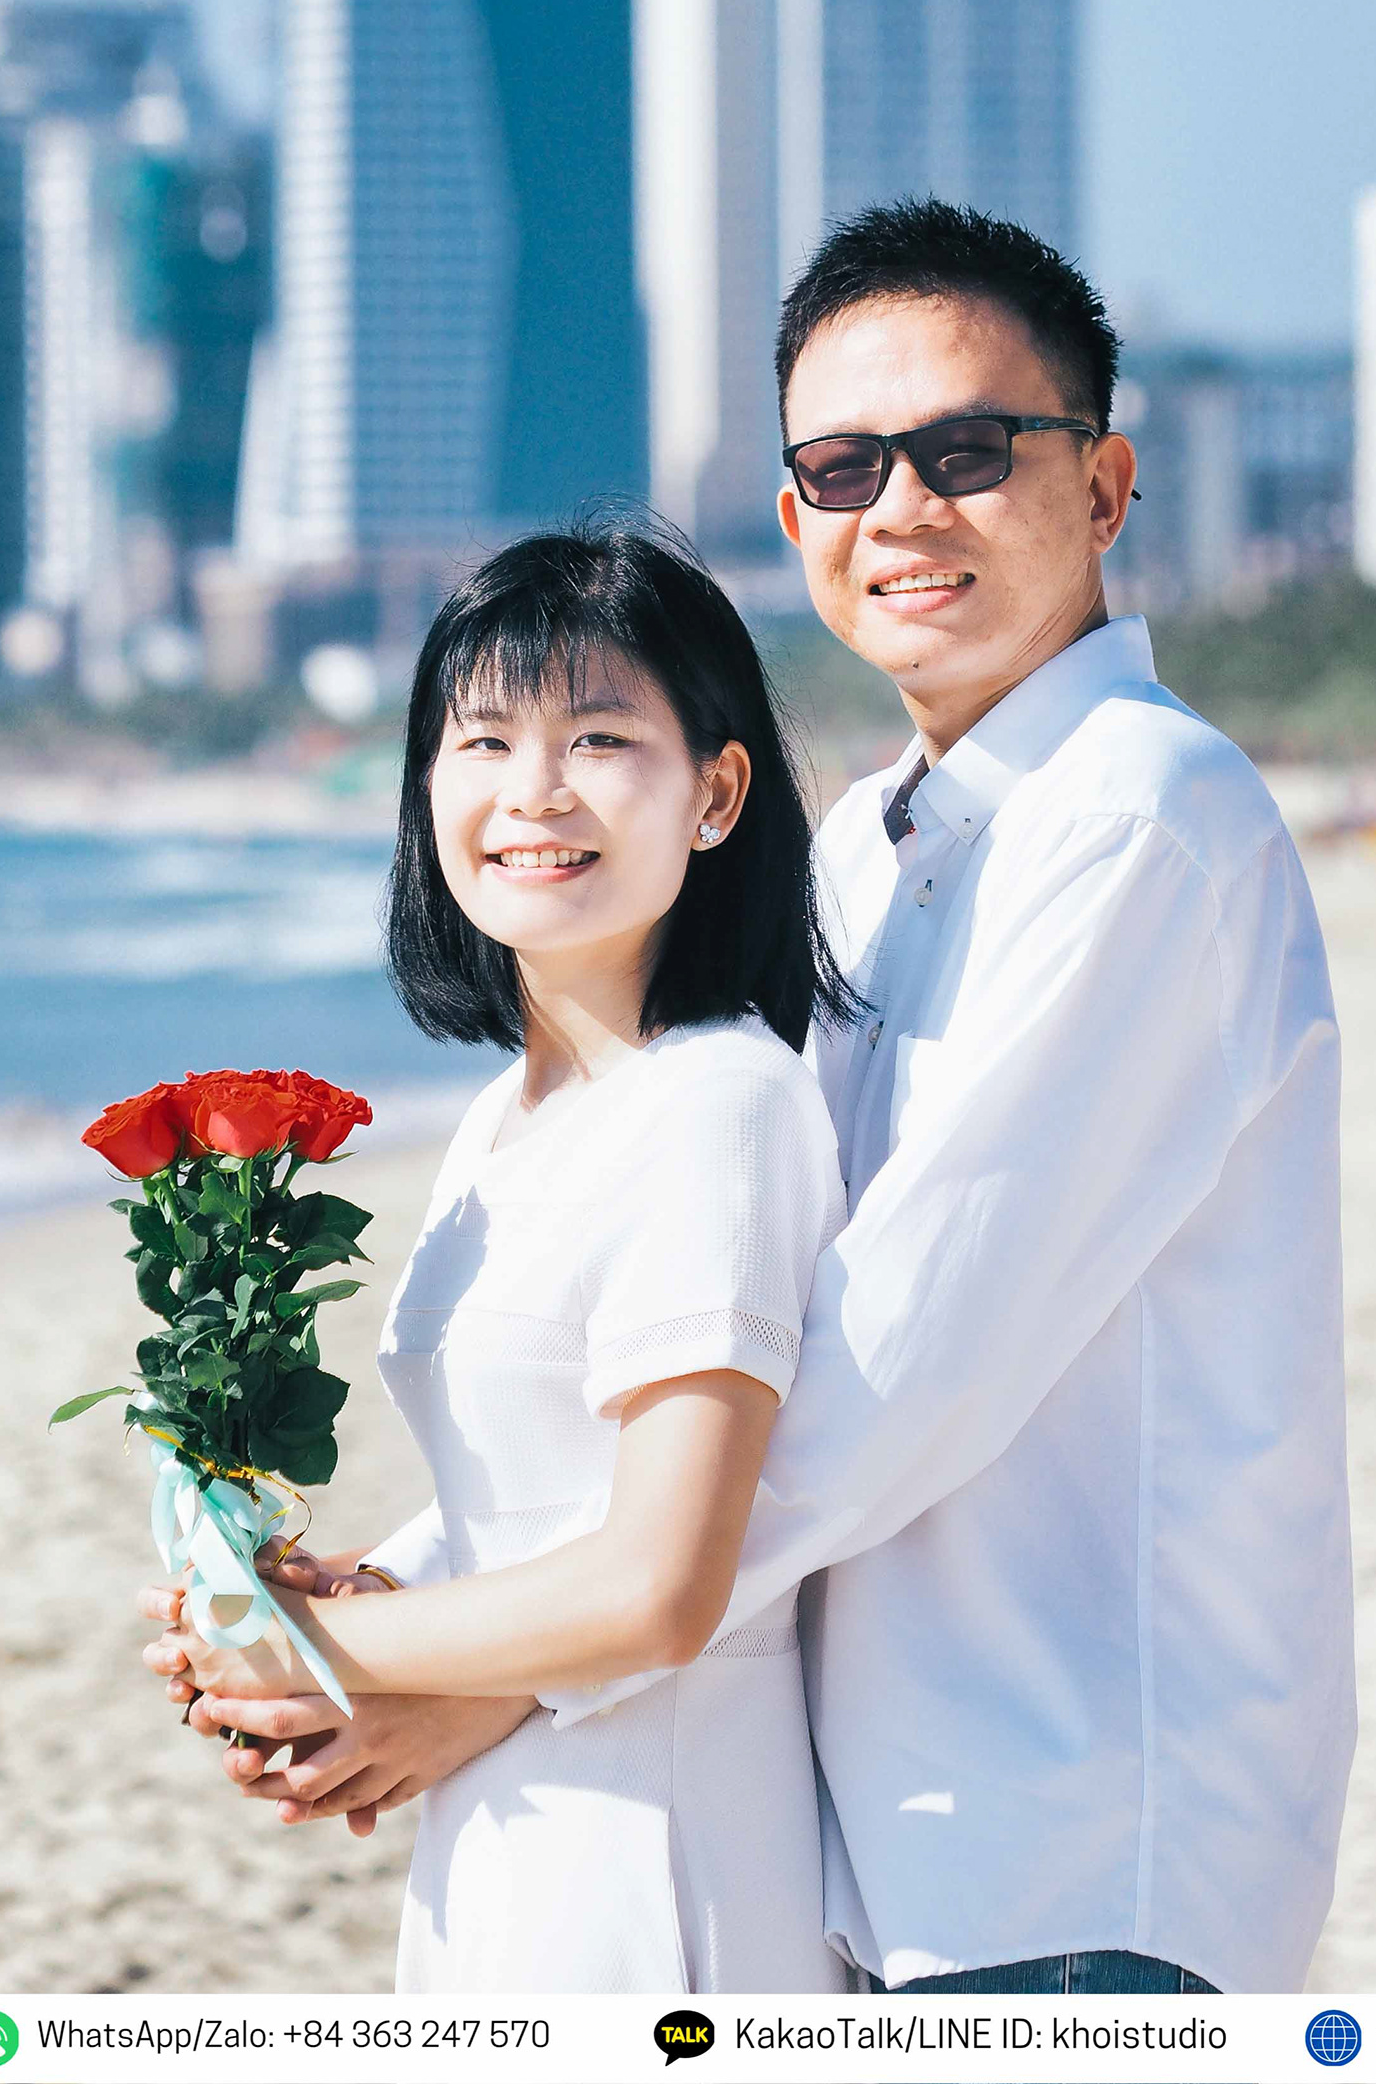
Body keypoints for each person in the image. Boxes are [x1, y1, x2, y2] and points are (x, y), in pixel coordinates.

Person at [160, 199, 1354, 1998]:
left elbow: (892, 1367)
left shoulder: (1138, 818)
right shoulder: (873, 850)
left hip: (1075, 1834)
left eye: (970, 451)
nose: (904, 510)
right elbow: (720, 1355)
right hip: (866, 1835)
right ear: (795, 520)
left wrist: (483, 1669)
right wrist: (372, 1602)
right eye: (845, 467)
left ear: (1107, 486)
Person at [146, 528, 855, 1993]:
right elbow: (529, 1493)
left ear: (717, 794)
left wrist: (319, 1643)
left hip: (659, 1852)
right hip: (504, 1836)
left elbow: (661, 1584)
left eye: (600, 738)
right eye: (483, 741)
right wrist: (319, 1601)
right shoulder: (505, 1119)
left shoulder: (718, 1103)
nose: (533, 791)